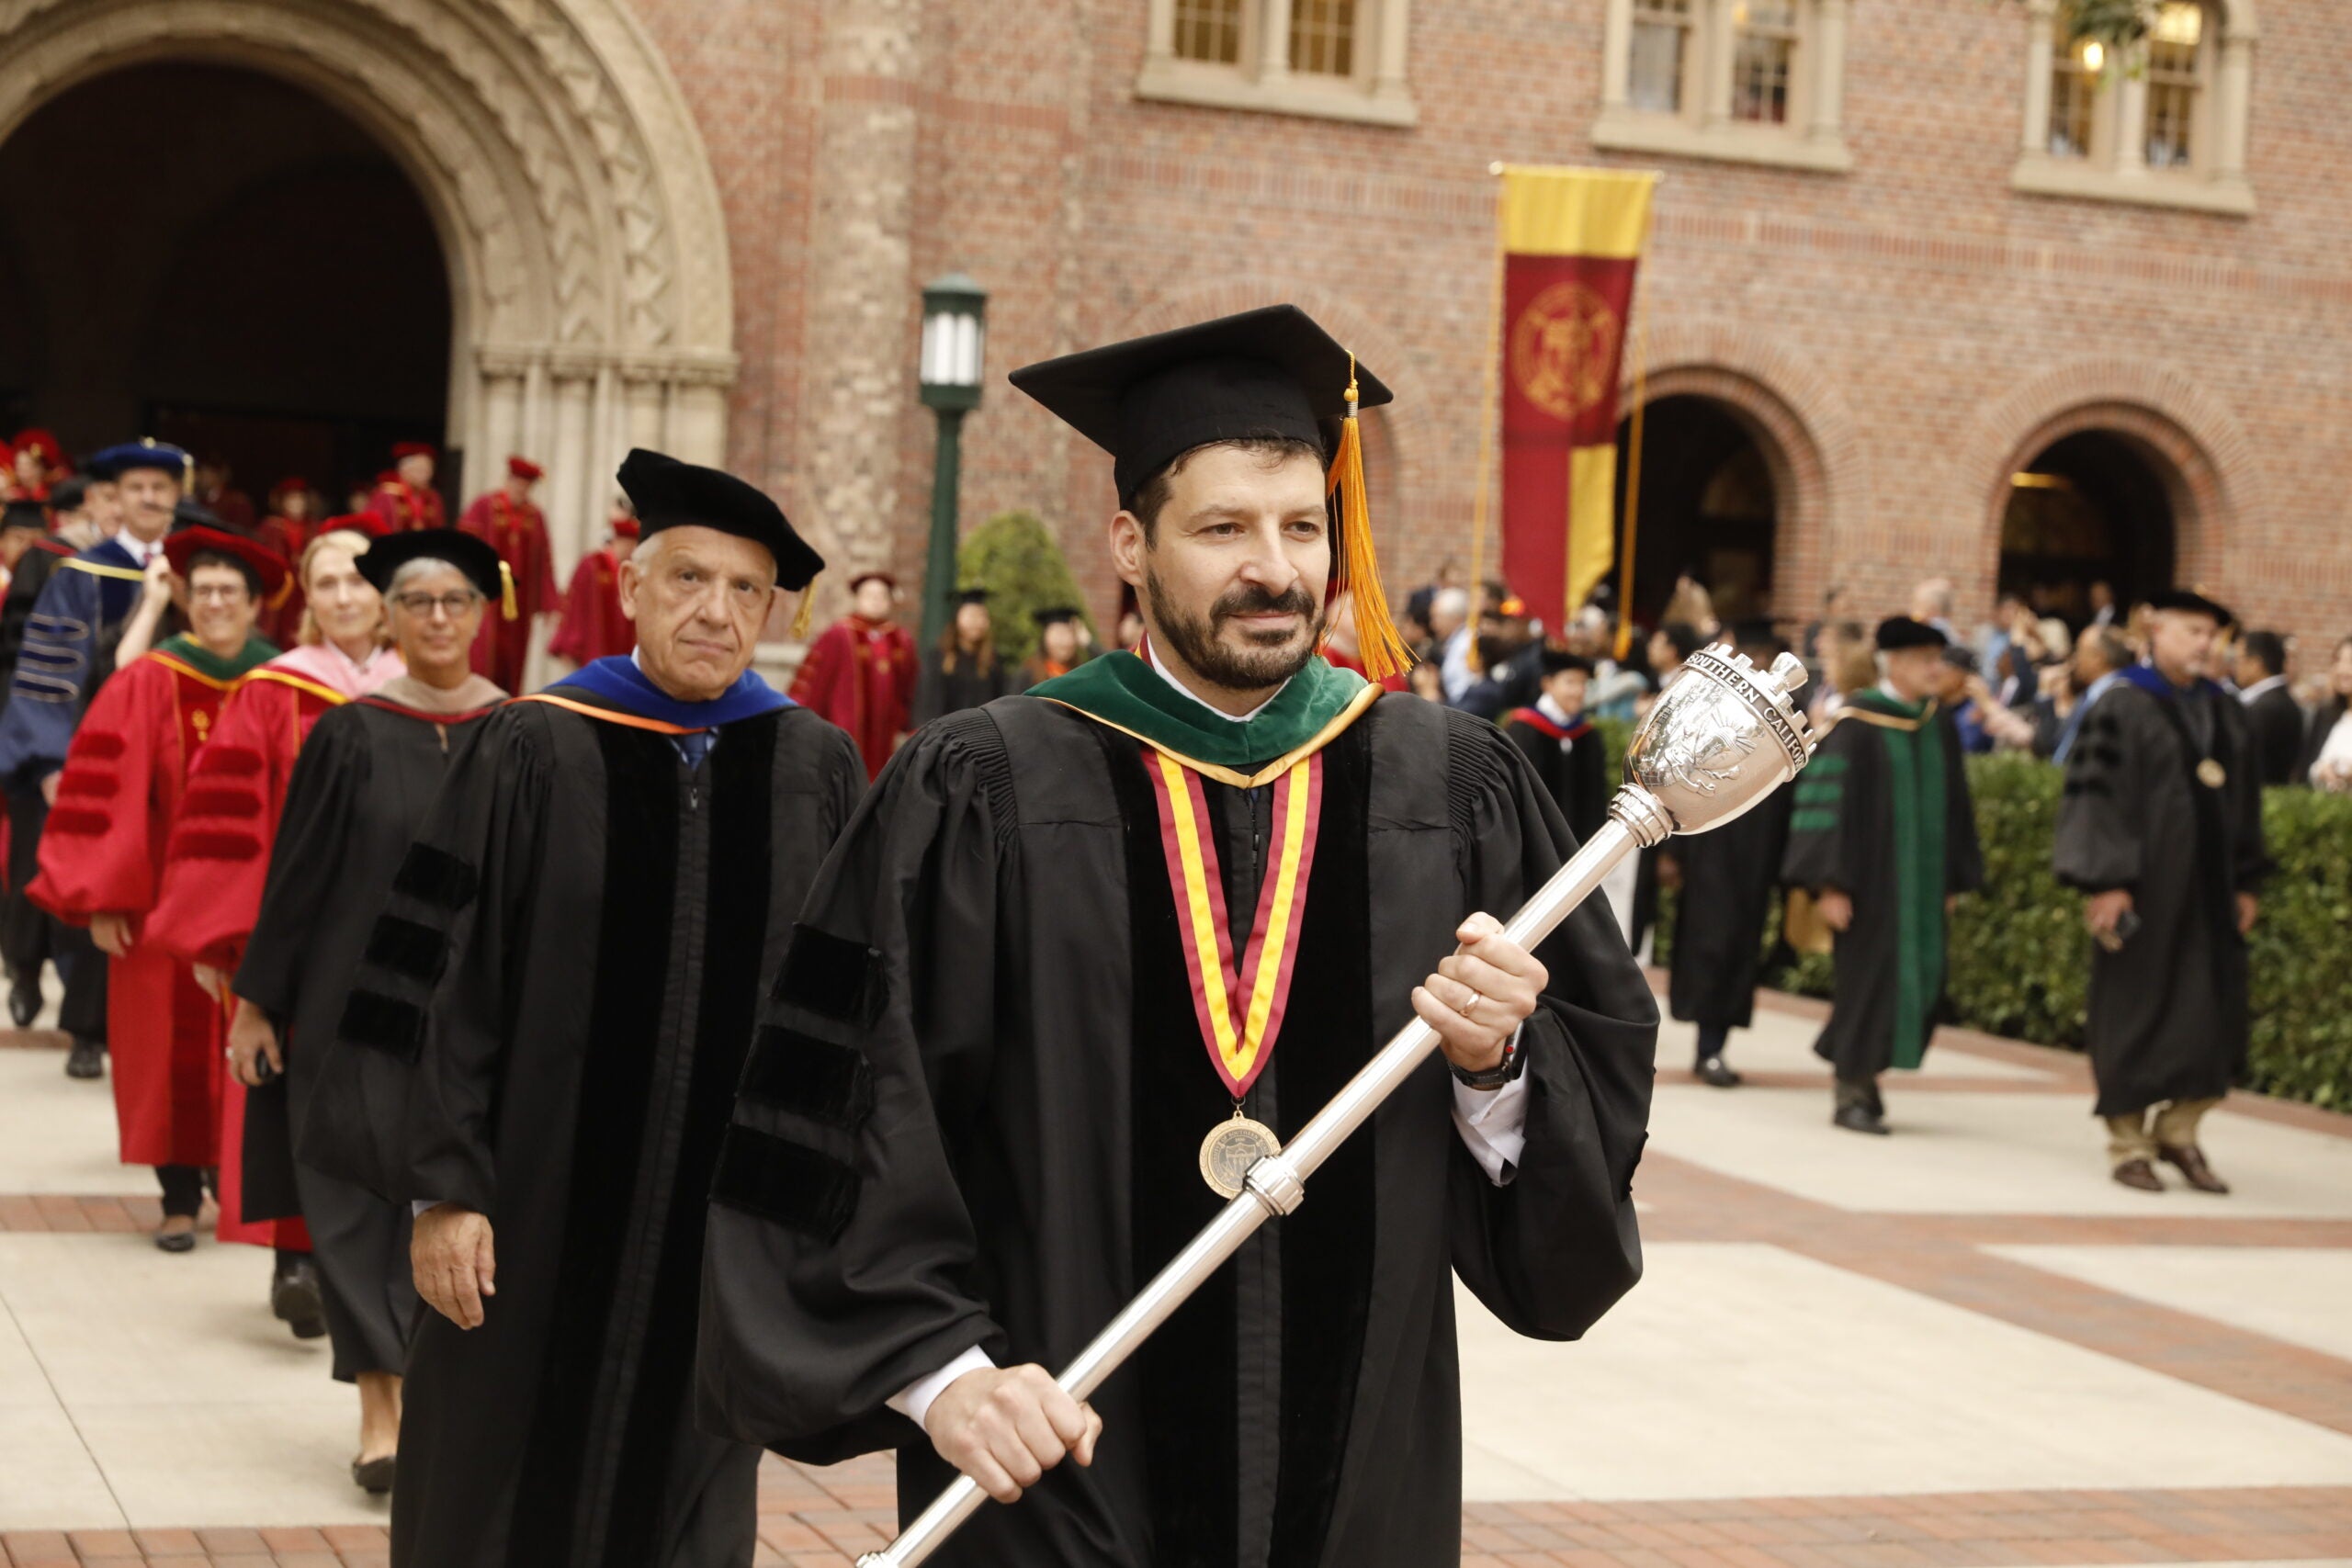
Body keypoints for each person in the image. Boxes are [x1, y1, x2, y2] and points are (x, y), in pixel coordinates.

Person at [697, 305, 1657, 1567]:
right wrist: (943, 1377)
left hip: (1358, 1477)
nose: (1276, 566)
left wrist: (1498, 1070)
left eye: (1303, 525)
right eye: (1223, 529)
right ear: (1130, 545)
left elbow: (1584, 1142)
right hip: (1052, 1462)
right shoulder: (977, 783)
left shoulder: (1453, 782)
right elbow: (839, 1109)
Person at [329, 448, 857, 1566]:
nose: (716, 613)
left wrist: (797, 1224)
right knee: (485, 1487)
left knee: (687, 1495)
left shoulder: (812, 767)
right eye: (687, 580)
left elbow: (843, 1017)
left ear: (772, 609)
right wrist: (440, 1186)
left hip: (715, 1243)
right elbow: (433, 978)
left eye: (745, 591)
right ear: (628, 586)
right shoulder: (533, 746)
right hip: (519, 1219)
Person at [210, 530, 507, 1495]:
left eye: (453, 600)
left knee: (457, 1208)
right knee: (349, 1208)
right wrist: (259, 1003)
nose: (435, 619)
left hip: (475, 1020)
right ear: (388, 615)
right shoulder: (351, 730)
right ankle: (382, 1407)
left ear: (481, 612)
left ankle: (431, 1395)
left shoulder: (522, 734)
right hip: (350, 1014)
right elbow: (296, 878)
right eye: (415, 602)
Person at [147, 526, 401, 1317]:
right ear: (306, 602)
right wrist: (229, 939)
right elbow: (226, 824)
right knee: (300, 1092)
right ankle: (298, 1261)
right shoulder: (274, 690)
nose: (345, 596)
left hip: (407, 937)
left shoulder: (434, 691)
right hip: (309, 939)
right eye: (326, 583)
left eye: (359, 580)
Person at [28, 528, 282, 1248]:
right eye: (200, 592)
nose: (214, 605)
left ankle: (235, 1189)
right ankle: (177, 1194)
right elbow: (106, 791)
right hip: (157, 903)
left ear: (256, 605)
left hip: (258, 908)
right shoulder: (150, 678)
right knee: (163, 1052)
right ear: (182, 602)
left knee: (251, 1051)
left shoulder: (283, 682)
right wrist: (106, 895)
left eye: (229, 592)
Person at [2054, 591, 2267, 1194]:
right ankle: (2129, 1143)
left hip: (2210, 892)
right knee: (2134, 1009)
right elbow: (2096, 797)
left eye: (2212, 633)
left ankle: (2179, 1131)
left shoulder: (2225, 709)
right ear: (2156, 627)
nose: (2204, 643)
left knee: (2210, 1016)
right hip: (2141, 892)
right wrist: (2106, 882)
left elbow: (2246, 803)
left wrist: (2247, 878)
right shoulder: (2122, 703)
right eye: (2192, 629)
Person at [0, 440, 192, 1079]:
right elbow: (48, 674)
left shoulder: (199, 572)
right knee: (90, 884)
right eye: (137, 488)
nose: (149, 499)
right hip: (91, 753)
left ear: (175, 497)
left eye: (161, 489)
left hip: (175, 763)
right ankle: (83, 1027)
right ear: (117, 495)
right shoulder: (83, 573)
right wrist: (51, 761)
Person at [1781, 616, 1982, 1135]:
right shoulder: (1857, 723)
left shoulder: (1936, 722)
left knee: (1919, 987)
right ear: (1893, 662)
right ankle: (1852, 1090)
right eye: (1924, 659)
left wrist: (1952, 881)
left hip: (1921, 889)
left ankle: (1866, 1080)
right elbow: (1825, 807)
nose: (1936, 670)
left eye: (1938, 659)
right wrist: (1827, 884)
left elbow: (1957, 806)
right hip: (1867, 890)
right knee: (1866, 987)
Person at [1668, 632, 1796, 1090]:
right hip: (1711, 849)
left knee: (1741, 946)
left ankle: (1716, 1046)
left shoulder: (1785, 725)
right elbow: (1681, 778)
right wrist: (1674, 850)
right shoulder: (1712, 714)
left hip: (1758, 854)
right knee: (1711, 944)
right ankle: (1708, 1046)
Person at [789, 569, 918, 779]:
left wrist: (907, 725)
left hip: (886, 733)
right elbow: (815, 682)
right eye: (869, 595)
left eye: (882, 596)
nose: (876, 601)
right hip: (845, 728)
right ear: (857, 598)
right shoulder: (839, 635)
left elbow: (909, 688)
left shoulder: (901, 640)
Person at [458, 456, 560, 693]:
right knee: (483, 654)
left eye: (526, 487)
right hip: (486, 598)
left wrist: (549, 603)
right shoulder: (484, 506)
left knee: (514, 659)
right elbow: (465, 547)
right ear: (508, 480)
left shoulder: (535, 516)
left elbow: (545, 561)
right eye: (517, 484)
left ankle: (506, 704)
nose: (520, 490)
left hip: (519, 604)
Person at [1502, 649, 1610, 846]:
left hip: (1579, 847)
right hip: (1532, 844)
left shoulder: (1588, 736)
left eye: (1583, 683)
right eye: (1570, 682)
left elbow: (1596, 799)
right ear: (1548, 684)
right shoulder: (1522, 729)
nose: (1578, 691)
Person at [548, 514, 640, 667]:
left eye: (632, 544)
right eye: (625, 543)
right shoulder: (592, 565)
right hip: (593, 647)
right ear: (615, 540)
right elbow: (575, 604)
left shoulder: (635, 572)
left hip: (624, 650)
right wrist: (572, 644)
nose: (628, 549)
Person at [912, 587, 1012, 727]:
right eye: (971, 615)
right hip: (943, 737)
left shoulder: (993, 662)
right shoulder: (938, 658)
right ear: (957, 618)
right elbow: (927, 707)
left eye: (982, 616)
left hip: (981, 738)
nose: (976, 622)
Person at [2052, 626, 2134, 765]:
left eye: (2079, 651)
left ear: (2098, 658)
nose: (2075, 659)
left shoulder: (2122, 698)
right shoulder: (2087, 696)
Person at [2233, 630, 2303, 789]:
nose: (2234, 666)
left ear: (2256, 664)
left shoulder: (2267, 707)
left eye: (2237, 660)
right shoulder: (2272, 700)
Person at [2300, 635, 2352, 791]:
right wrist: (2321, 771)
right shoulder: (2326, 715)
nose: (2343, 669)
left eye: (2350, 662)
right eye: (2338, 661)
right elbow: (2304, 769)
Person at [366, 443, 446, 533]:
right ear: (403, 470)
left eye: (428, 471)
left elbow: (439, 529)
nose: (425, 476)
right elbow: (373, 527)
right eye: (419, 470)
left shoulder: (433, 497)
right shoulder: (385, 495)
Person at [1018, 605, 1086, 686]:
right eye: (1059, 634)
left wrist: (1089, 643)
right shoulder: (1028, 674)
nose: (1066, 641)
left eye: (1071, 633)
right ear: (1045, 637)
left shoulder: (1080, 673)